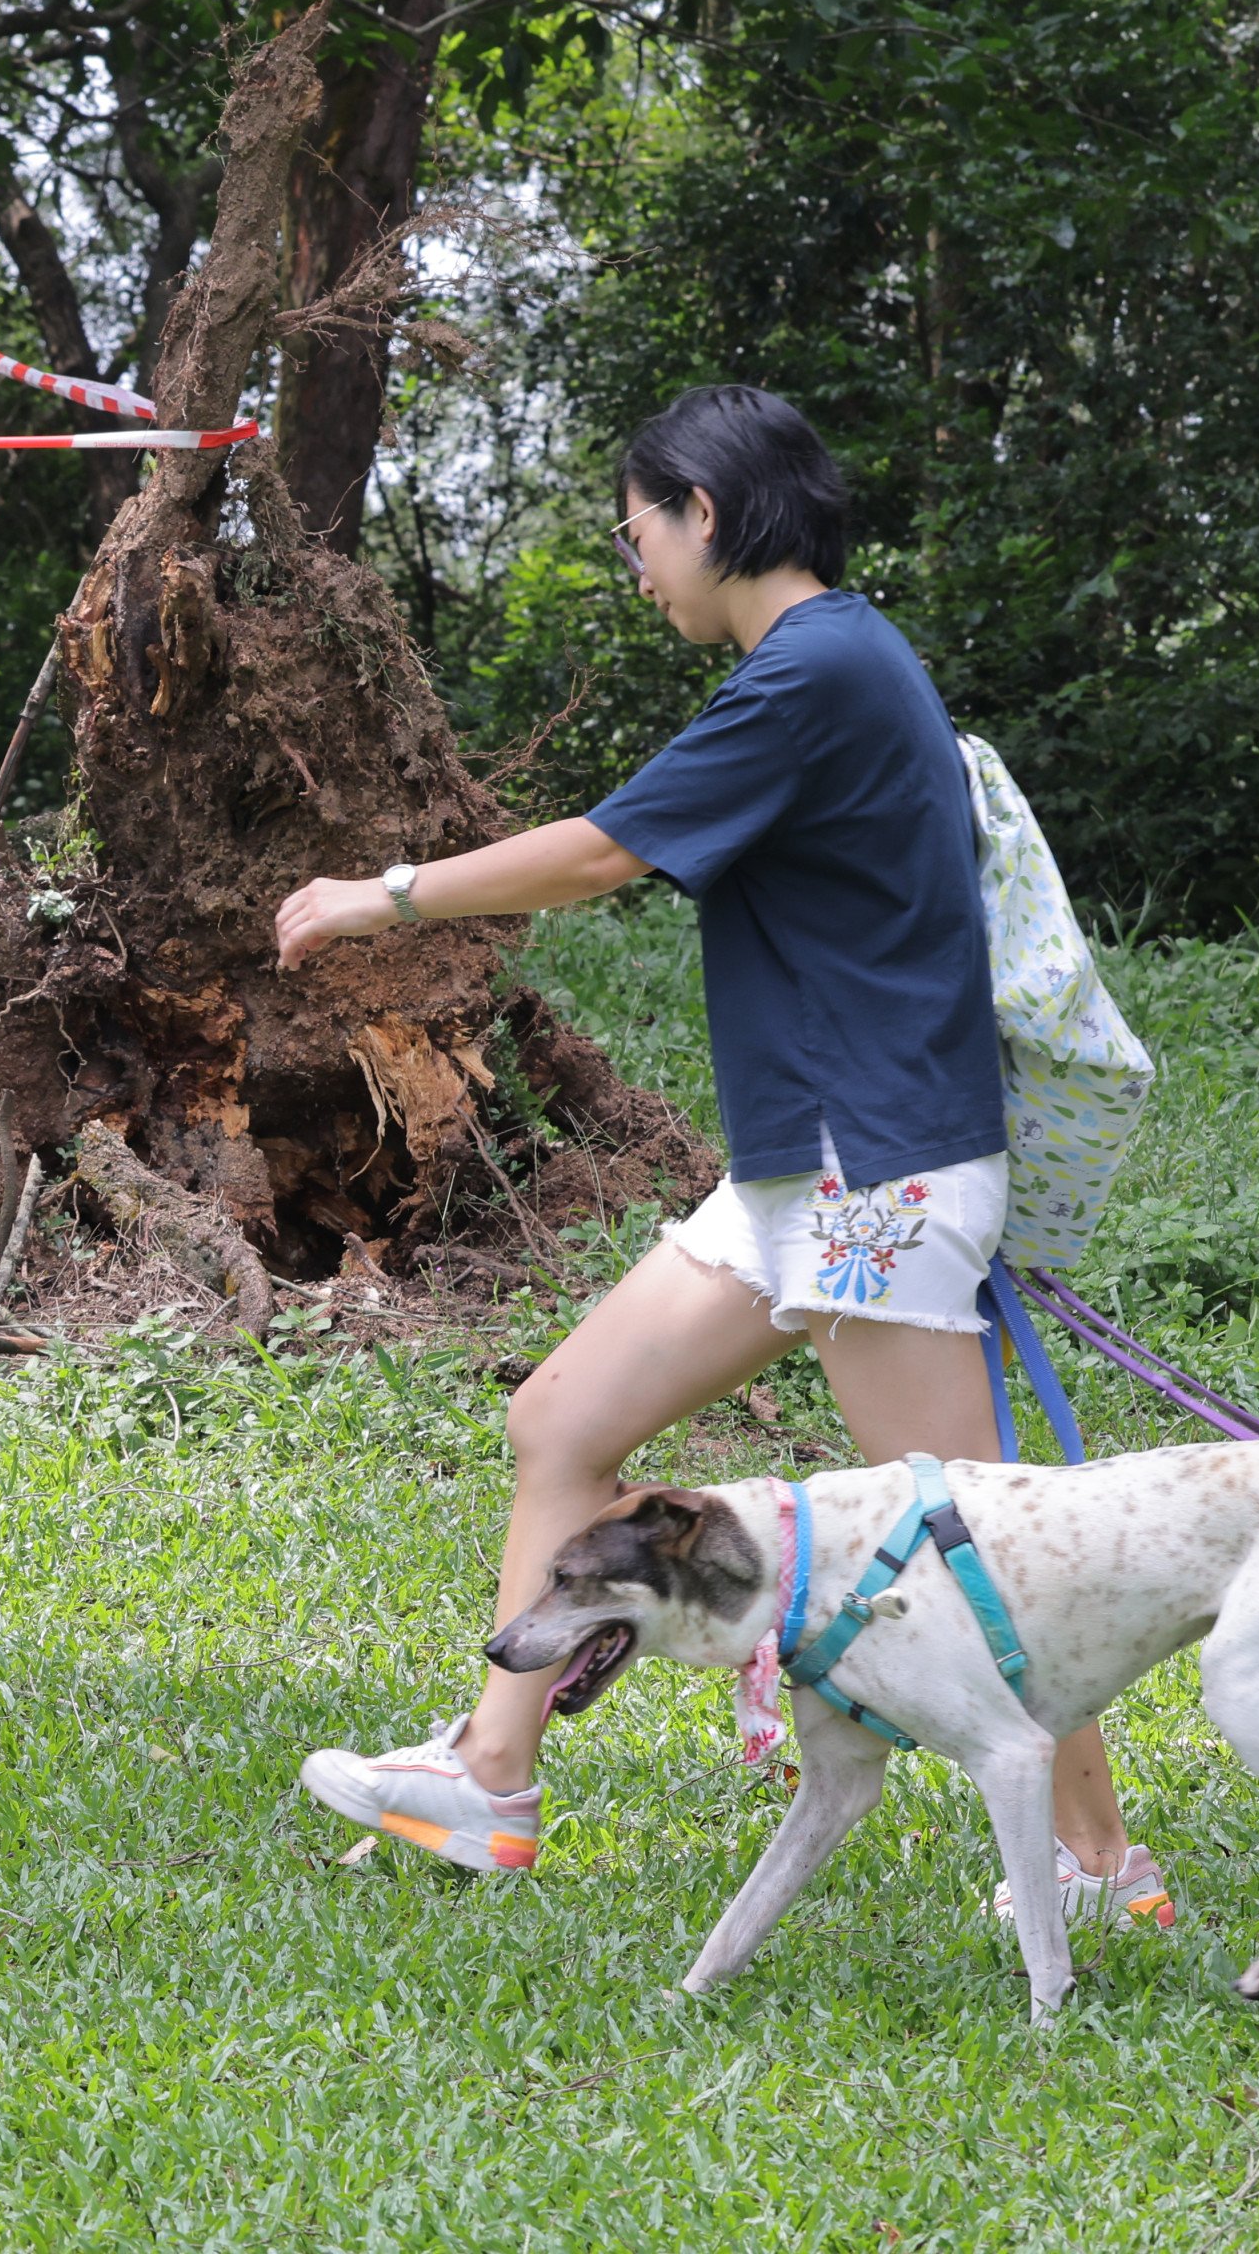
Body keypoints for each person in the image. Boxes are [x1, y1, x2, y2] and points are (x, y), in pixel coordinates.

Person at [280, 383, 1170, 1931]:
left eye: (640, 535)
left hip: (875, 1170)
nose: (639, 572)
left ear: (709, 511)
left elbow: (609, 850)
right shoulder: (832, 662)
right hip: (805, 1172)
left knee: (967, 1543)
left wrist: (386, 891)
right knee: (563, 1421)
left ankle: (1103, 1874)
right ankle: (491, 1779)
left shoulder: (817, 667)